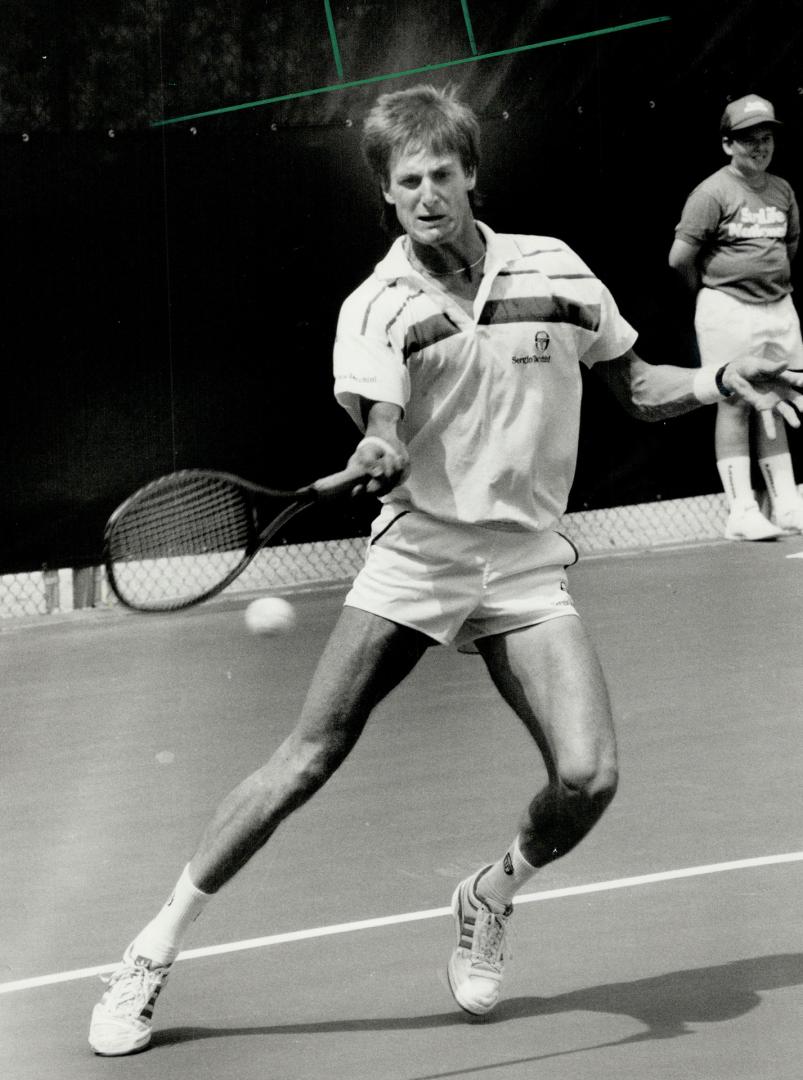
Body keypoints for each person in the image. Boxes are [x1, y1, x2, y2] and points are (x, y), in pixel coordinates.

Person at [88, 85, 803, 1056]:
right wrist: (381, 442)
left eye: (439, 174)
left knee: (587, 776)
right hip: (419, 556)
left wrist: (714, 378)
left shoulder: (555, 270)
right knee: (305, 757)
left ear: (471, 173)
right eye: (404, 182)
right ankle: (149, 952)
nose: (425, 195)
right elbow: (379, 417)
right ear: (385, 195)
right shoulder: (377, 307)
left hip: (520, 564)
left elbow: (635, 386)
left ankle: (488, 893)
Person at [669, 93, 803, 540]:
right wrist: (710, 293)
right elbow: (679, 259)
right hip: (727, 308)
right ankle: (741, 511)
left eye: (766, 139)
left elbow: (789, 248)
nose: (760, 148)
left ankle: (785, 505)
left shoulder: (782, 190)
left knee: (777, 399)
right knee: (734, 400)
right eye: (748, 141)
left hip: (778, 305)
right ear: (728, 144)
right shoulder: (711, 192)